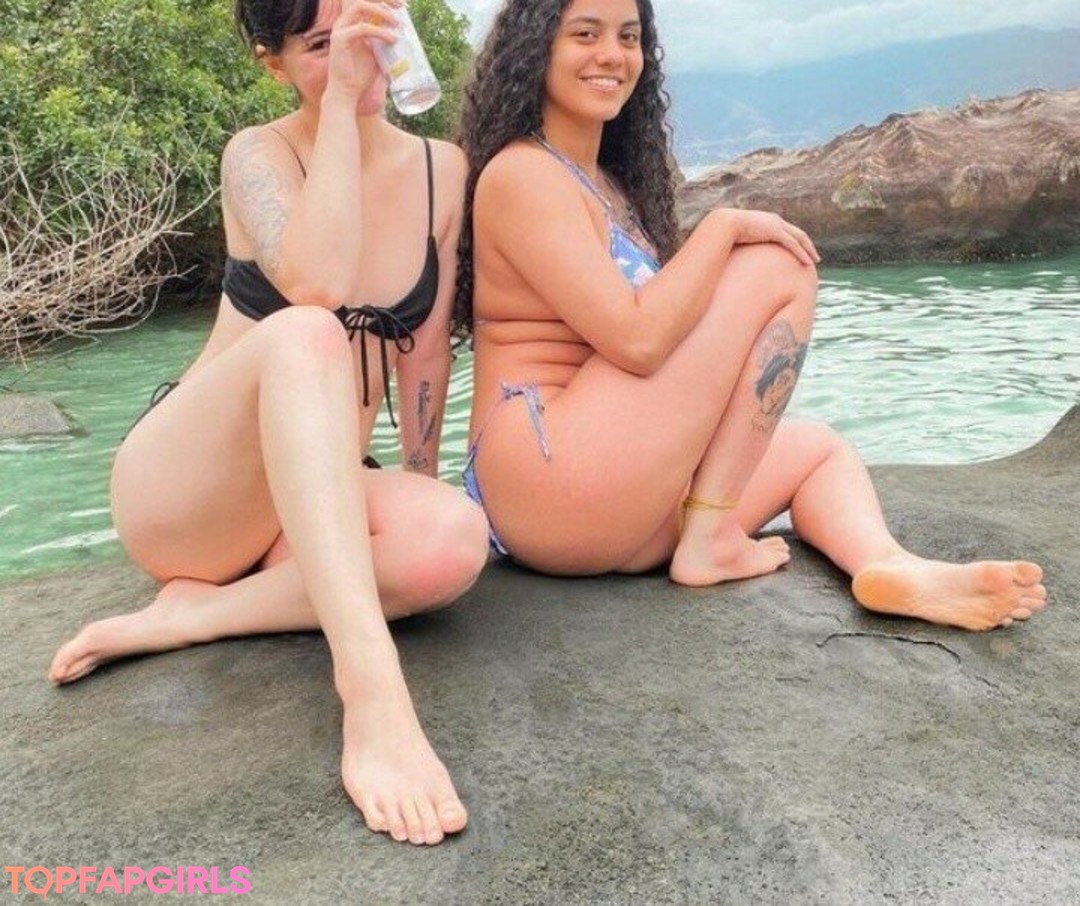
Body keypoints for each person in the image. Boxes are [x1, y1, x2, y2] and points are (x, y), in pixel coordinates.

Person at [456, 0, 1047, 631]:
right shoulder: (523, 173)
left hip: (615, 491)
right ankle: (709, 537)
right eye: (585, 33)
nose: (612, 54)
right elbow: (637, 339)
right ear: (536, 50)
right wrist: (723, 226)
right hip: (550, 474)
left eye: (628, 37)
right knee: (776, 264)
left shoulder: (606, 182)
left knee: (819, 452)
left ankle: (890, 566)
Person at [48, 0, 489, 846]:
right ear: (270, 61)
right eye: (323, 45)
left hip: (306, 500)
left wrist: (418, 484)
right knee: (309, 331)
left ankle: (196, 616)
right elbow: (317, 284)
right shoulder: (258, 154)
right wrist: (340, 104)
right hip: (192, 497)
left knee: (449, 540)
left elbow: (427, 352)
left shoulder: (444, 167)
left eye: (366, 34)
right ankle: (373, 696)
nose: (356, 57)